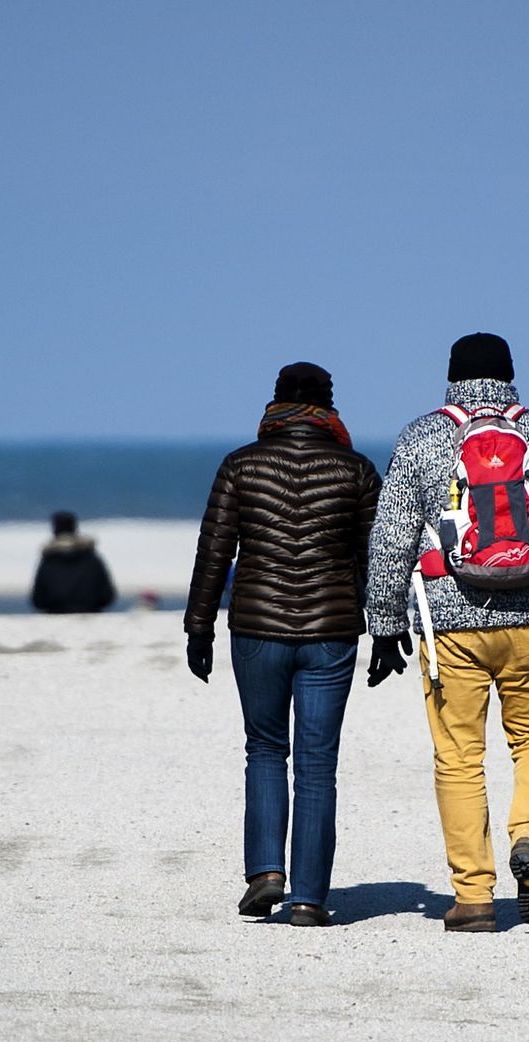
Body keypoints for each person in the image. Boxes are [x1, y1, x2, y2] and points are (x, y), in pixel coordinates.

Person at [365, 332, 529, 932]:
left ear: (451, 376)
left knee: (459, 756)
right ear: (510, 375)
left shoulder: (423, 438)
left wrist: (383, 622)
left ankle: (474, 896)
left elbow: (390, 538)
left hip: (451, 627)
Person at [185, 362, 380, 927]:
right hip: (330, 633)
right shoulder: (357, 470)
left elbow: (214, 552)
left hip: (256, 631)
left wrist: (198, 626)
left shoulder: (240, 464)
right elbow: (378, 560)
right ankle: (309, 899)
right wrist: (385, 628)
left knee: (265, 749)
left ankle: (266, 872)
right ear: (330, 408)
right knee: (318, 765)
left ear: (274, 404)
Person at [30, 511, 117, 614]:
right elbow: (107, 595)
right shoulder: (91, 557)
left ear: (54, 529)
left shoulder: (49, 559)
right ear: (74, 527)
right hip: (90, 614)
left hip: (55, 615)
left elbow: (38, 600)